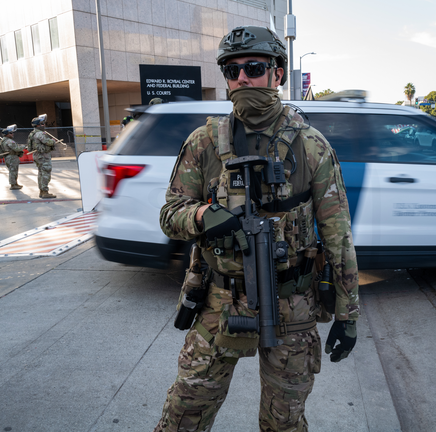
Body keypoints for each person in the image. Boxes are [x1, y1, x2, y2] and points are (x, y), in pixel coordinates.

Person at [154, 25, 359, 432]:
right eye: (232, 71)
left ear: (278, 73)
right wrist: (202, 217)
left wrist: (347, 313)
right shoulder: (204, 143)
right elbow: (169, 215)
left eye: (253, 67)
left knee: (284, 422)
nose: (242, 78)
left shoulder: (311, 145)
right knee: (183, 416)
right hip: (219, 302)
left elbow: (337, 236)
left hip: (292, 305)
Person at [27, 114, 57, 198]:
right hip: (43, 156)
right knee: (45, 173)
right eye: (42, 123)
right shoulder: (40, 134)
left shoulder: (32, 133)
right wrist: (53, 141)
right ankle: (44, 192)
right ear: (38, 125)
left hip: (37, 156)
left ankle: (42, 191)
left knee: (41, 173)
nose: (44, 125)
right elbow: (48, 142)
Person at [0, 124, 25, 190]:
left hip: (10, 157)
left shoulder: (4, 140)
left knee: (14, 171)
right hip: (11, 157)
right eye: (11, 133)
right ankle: (13, 185)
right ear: (7, 134)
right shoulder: (9, 141)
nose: (12, 134)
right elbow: (16, 149)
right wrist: (22, 146)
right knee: (13, 171)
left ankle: (15, 183)